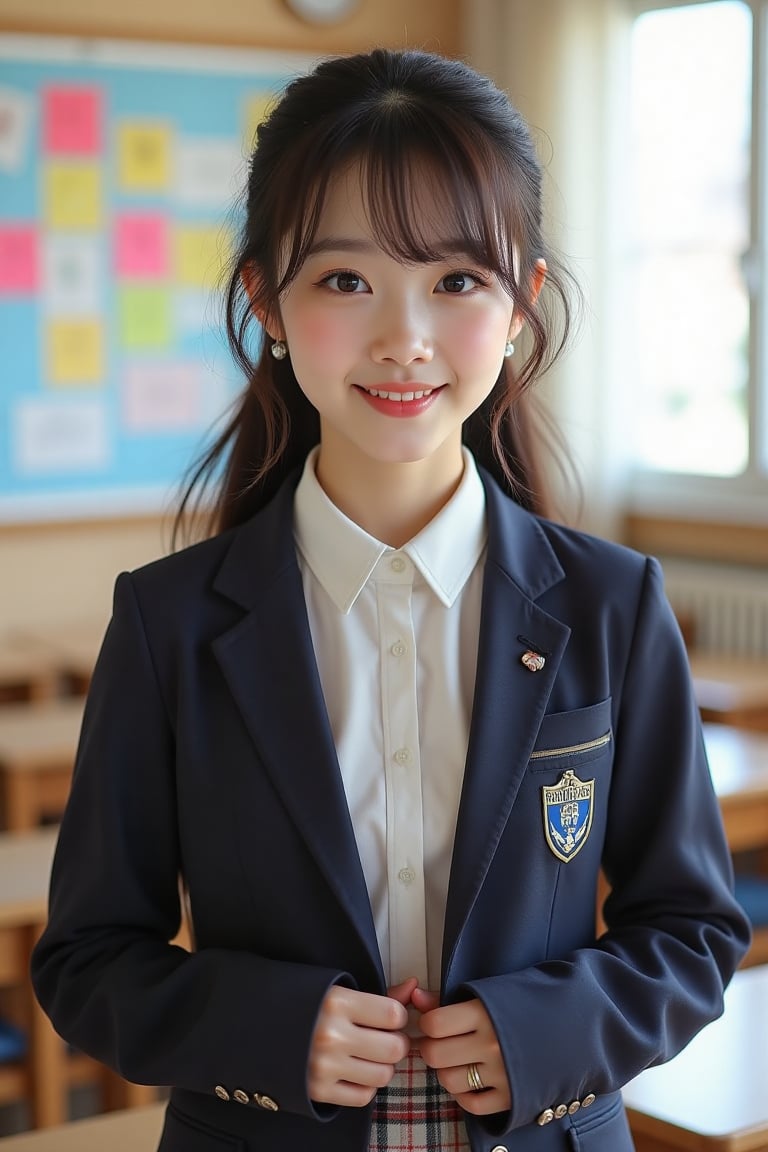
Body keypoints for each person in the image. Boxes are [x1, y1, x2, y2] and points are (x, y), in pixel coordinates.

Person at [31, 47, 750, 1152]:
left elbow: (694, 927)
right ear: (265, 300)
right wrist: (273, 1029)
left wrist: (543, 1030)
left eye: (458, 281)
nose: (404, 337)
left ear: (523, 306)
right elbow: (87, 959)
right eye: (345, 279)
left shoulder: (613, 603)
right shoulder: (170, 624)